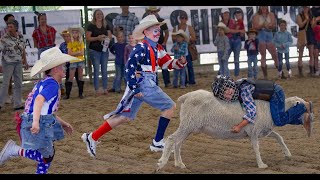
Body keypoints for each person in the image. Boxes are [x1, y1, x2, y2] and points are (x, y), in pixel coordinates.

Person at [81, 15, 187, 157]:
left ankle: (92, 137)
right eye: (154, 29)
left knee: (124, 117)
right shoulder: (142, 47)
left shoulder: (157, 48)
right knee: (169, 106)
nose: (158, 32)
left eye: (158, 29)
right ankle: (157, 142)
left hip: (142, 84)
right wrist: (135, 87)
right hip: (143, 84)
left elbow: (167, 63)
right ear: (145, 32)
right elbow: (129, 67)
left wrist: (180, 62)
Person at [0, 47, 75, 174]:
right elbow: (39, 101)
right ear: (56, 68)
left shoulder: (44, 82)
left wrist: (63, 123)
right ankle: (14, 150)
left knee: (47, 154)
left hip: (36, 120)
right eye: (62, 66)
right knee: (47, 155)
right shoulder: (52, 85)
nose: (64, 68)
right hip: (38, 122)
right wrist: (35, 122)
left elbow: (46, 111)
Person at [211, 75, 313, 137]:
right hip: (269, 94)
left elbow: (252, 113)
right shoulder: (236, 89)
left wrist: (239, 126)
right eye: (223, 94)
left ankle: (304, 106)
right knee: (276, 118)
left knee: (279, 121)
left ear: (230, 84)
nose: (227, 94)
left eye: (227, 89)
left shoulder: (243, 91)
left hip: (275, 94)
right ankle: (302, 119)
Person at [0, 19, 29, 111]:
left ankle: (17, 104)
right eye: (8, 26)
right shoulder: (4, 38)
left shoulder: (20, 36)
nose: (9, 28)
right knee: (5, 83)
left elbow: (23, 49)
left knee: (18, 83)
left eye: (11, 26)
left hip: (18, 62)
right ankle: (0, 104)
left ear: (16, 27)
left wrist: (25, 61)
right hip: (7, 62)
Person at [86, 9, 112, 96]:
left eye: (101, 14)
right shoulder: (91, 26)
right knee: (96, 70)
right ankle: (97, 89)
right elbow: (88, 38)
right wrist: (97, 38)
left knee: (104, 70)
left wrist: (105, 38)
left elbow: (110, 36)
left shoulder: (106, 25)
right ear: (94, 16)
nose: (99, 15)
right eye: (97, 14)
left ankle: (105, 88)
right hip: (94, 51)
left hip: (104, 50)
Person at [144, 6, 171, 88]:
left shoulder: (161, 21)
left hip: (160, 45)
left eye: (154, 12)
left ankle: (167, 82)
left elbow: (166, 33)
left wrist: (164, 43)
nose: (153, 13)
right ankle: (154, 83)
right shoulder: (146, 22)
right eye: (151, 12)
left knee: (164, 63)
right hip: (151, 46)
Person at [252, 6, 279, 79]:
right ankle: (265, 75)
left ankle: (279, 72)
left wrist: (269, 26)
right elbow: (255, 26)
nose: (264, 7)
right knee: (263, 54)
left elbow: (274, 25)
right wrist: (263, 25)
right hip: (261, 34)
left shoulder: (271, 14)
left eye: (265, 6)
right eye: (262, 7)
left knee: (274, 54)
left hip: (269, 33)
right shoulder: (256, 15)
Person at [172, 11, 197, 86]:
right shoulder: (176, 28)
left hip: (187, 48)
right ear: (179, 19)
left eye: (185, 18)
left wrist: (185, 40)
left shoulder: (189, 27)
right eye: (182, 18)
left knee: (188, 65)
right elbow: (173, 37)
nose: (183, 19)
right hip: (179, 48)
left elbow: (194, 38)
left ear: (186, 19)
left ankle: (191, 81)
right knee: (180, 65)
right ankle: (184, 81)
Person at [220, 7, 245, 79]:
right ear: (222, 14)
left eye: (227, 13)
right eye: (225, 13)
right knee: (225, 58)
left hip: (234, 40)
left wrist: (233, 31)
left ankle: (235, 74)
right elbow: (228, 31)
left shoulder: (233, 21)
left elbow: (242, 31)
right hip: (230, 41)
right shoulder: (223, 23)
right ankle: (223, 73)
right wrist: (238, 31)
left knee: (235, 59)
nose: (226, 14)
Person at [65, 25, 85, 99]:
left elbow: (82, 53)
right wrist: (78, 52)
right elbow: (69, 53)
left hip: (79, 60)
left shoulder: (81, 42)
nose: (74, 34)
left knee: (80, 77)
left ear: (79, 34)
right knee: (71, 77)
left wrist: (74, 53)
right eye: (73, 32)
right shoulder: (70, 42)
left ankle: (80, 93)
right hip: (73, 61)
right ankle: (68, 95)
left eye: (76, 32)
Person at [296, 6, 315, 77]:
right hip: (302, 33)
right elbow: (300, 25)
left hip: (310, 34)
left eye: (306, 7)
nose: (305, 9)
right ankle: (300, 72)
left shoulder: (311, 15)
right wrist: (306, 20)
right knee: (300, 53)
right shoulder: (299, 15)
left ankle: (311, 71)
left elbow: (313, 26)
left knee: (311, 54)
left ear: (308, 8)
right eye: (304, 7)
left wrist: (313, 21)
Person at [0, 14, 15, 104]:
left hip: (16, 58)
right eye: (10, 20)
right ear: (6, 22)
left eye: (13, 19)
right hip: (7, 59)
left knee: (17, 79)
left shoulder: (17, 32)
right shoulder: (2, 33)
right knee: (7, 79)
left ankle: (15, 96)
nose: (12, 21)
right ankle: (7, 96)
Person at [59, 30, 79, 95]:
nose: (67, 38)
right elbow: (60, 55)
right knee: (68, 78)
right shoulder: (62, 45)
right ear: (63, 38)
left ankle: (80, 93)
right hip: (67, 64)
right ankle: (67, 93)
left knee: (78, 78)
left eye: (68, 36)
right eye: (65, 36)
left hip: (75, 63)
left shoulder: (75, 43)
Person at [311, 6, 320, 76]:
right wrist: (316, 20)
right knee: (316, 55)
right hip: (316, 40)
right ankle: (317, 70)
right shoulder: (314, 18)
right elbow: (312, 26)